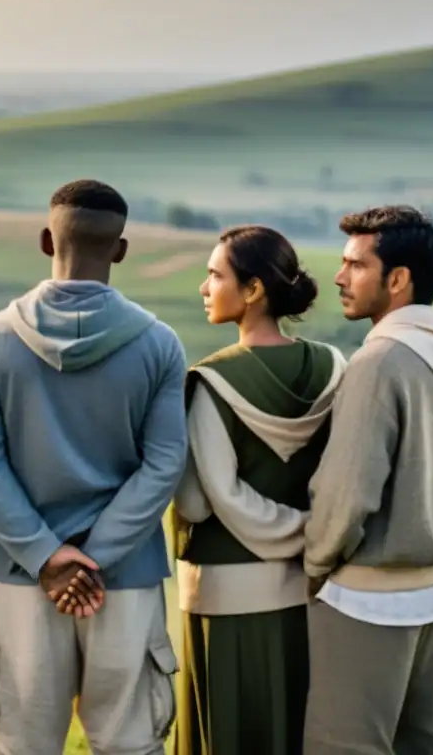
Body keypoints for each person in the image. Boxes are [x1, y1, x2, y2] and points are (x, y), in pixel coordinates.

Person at [0, 179, 188, 755]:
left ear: (46, 240)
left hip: (19, 575)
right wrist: (96, 557)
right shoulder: (160, 344)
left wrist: (47, 557)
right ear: (120, 250)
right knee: (130, 742)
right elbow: (164, 464)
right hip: (125, 577)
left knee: (18, 744)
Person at [303, 206, 433, 754]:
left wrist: (315, 565)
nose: (339, 277)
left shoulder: (379, 360)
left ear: (398, 279)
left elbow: (348, 492)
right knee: (432, 745)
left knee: (345, 746)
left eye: (355, 265)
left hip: (369, 596)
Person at [170, 225, 347, 755]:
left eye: (214, 275)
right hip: (310, 590)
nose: (204, 288)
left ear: (253, 291)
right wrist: (312, 531)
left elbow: (204, 500)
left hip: (225, 596)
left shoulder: (209, 382)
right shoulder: (333, 368)